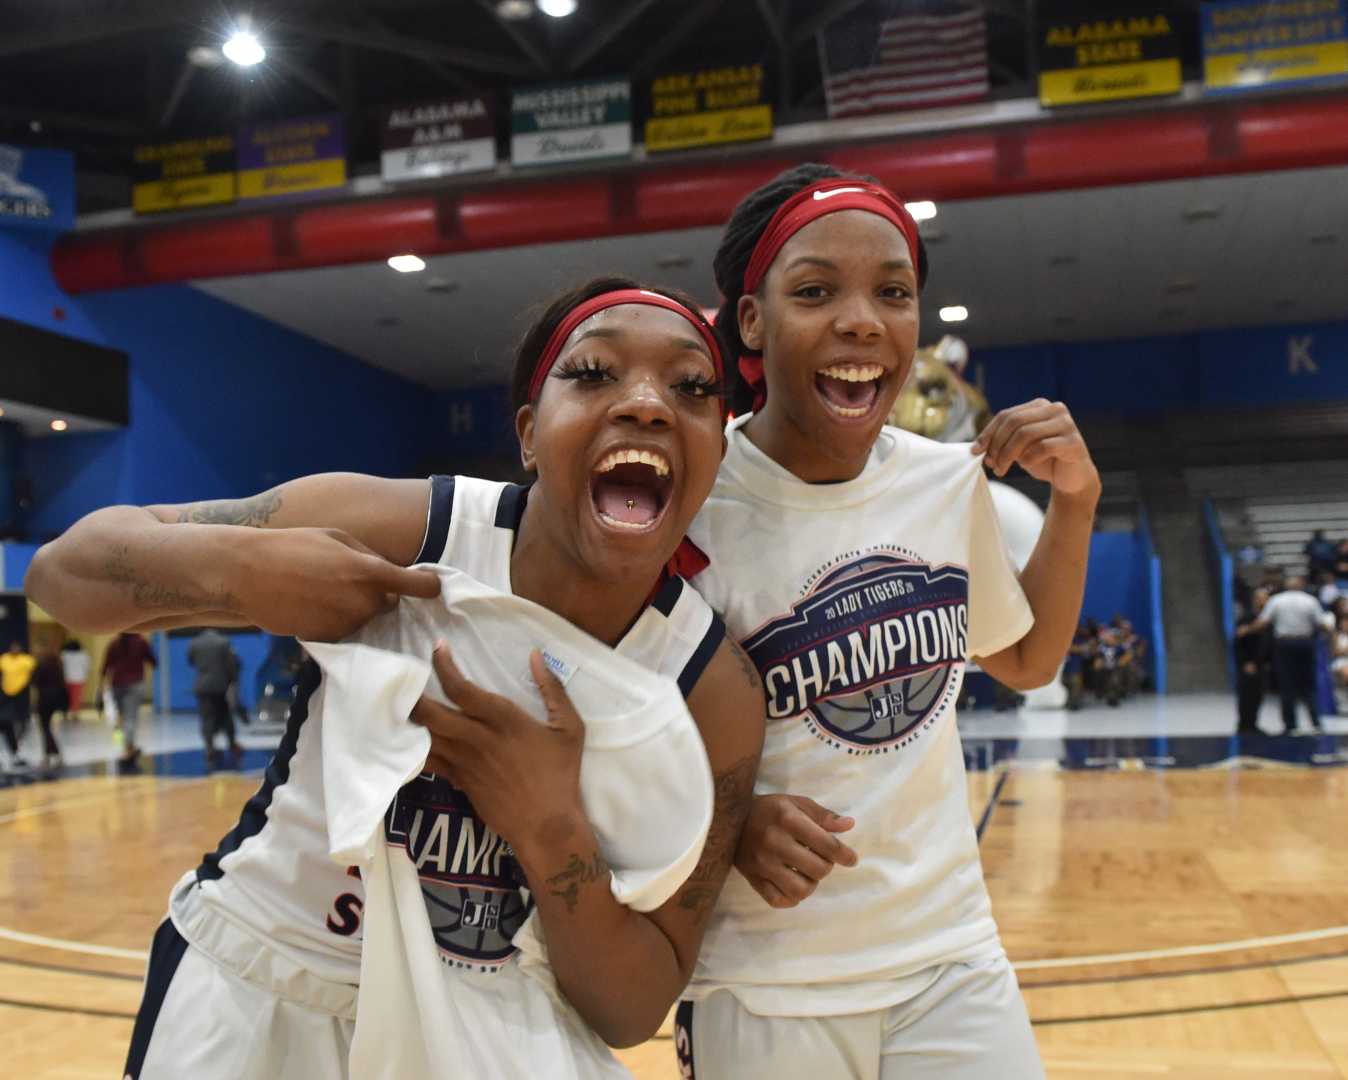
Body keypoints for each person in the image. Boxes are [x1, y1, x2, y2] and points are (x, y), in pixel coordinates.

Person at [25, 277, 765, 1079]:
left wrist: (551, 829)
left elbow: (631, 1009)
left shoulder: (713, 687)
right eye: (594, 373)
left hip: (496, 1019)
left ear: (717, 451)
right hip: (269, 984)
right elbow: (62, 575)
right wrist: (235, 569)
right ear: (528, 432)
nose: (648, 404)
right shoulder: (411, 530)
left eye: (692, 388)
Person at [677, 163, 1098, 1080]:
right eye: (816, 290)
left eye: (893, 292)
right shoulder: (692, 506)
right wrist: (729, 821)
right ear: (752, 320)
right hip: (761, 982)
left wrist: (1076, 502)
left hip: (949, 956)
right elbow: (607, 739)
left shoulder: (944, 483)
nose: (862, 318)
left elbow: (1024, 658)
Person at [1254, 574, 1335, 735]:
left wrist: (1246, 630)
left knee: (1287, 685)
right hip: (1304, 643)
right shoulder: (1310, 601)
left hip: (1285, 644)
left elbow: (1263, 622)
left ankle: (1291, 726)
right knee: (1308, 685)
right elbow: (1322, 624)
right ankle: (1316, 724)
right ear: (1302, 585)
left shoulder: (1277, 600)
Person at [187, 628, 241, 769]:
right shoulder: (223, 642)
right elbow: (230, 664)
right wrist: (233, 680)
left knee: (206, 717)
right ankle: (232, 744)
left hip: (202, 686)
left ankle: (209, 748)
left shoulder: (194, 642)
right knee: (226, 715)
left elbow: (191, 661)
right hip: (220, 685)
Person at [100, 631, 157, 765]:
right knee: (130, 717)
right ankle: (127, 749)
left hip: (117, 685)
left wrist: (101, 685)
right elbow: (154, 661)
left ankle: (129, 747)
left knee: (123, 717)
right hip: (135, 684)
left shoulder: (114, 643)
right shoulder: (141, 642)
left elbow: (105, 666)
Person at [1234, 587, 1271, 736]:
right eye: (1259, 598)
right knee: (1246, 695)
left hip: (1262, 664)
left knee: (1258, 695)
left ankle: (1253, 724)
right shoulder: (1247, 618)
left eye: (1265, 598)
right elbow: (1238, 642)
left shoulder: (1269, 618)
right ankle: (1244, 725)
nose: (1262, 601)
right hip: (1248, 664)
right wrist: (1245, 662)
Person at [0, 640, 36, 769]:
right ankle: (14, 754)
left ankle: (16, 754)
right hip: (4, 697)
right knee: (7, 726)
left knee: (19, 725)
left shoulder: (27, 660)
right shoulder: (4, 659)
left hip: (21, 696)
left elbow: (32, 676)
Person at [32, 643, 67, 770]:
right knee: (47, 728)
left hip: (45, 699)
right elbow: (62, 682)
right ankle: (51, 756)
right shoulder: (58, 664)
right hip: (56, 699)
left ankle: (51, 756)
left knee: (45, 729)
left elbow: (34, 683)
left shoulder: (41, 664)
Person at [60, 638, 91, 718]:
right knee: (76, 697)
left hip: (66, 678)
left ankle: (65, 712)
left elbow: (61, 666)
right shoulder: (84, 655)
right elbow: (87, 667)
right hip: (79, 679)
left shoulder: (64, 654)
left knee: (66, 696)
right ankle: (75, 713)